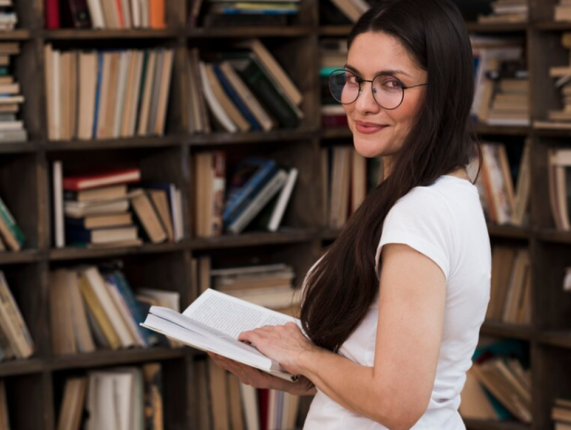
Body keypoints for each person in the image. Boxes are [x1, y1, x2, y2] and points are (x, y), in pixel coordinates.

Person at [207, 0, 491, 429]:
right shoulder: (448, 195)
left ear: (442, 92)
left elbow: (397, 403)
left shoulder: (422, 211)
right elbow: (378, 375)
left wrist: (302, 353)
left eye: (391, 84)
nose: (361, 104)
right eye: (354, 80)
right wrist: (294, 373)